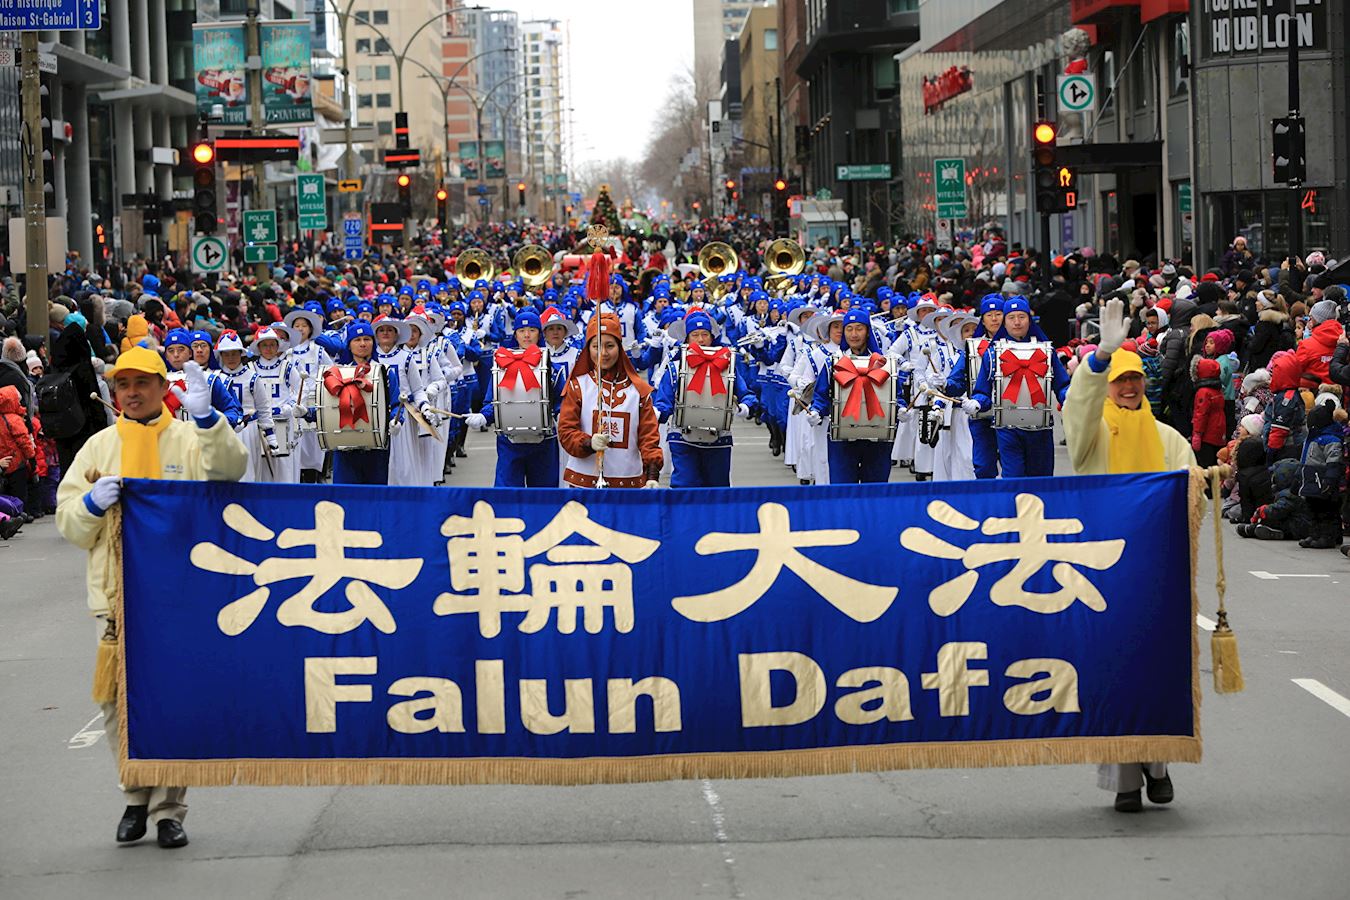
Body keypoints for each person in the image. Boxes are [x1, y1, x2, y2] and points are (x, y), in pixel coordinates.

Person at [55, 347, 247, 848]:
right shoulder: (97, 448)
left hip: (180, 597)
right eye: (124, 385)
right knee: (116, 706)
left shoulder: (189, 438)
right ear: (115, 392)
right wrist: (93, 505)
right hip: (116, 600)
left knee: (174, 703)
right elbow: (69, 523)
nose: (133, 393)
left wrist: (208, 419)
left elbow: (231, 470)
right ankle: (135, 796)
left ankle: (169, 810)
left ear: (164, 388)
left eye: (143, 383)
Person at [1062, 298, 1195, 813]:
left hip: (1157, 571)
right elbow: (1079, 407)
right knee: (1113, 671)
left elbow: (1192, 489)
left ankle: (1158, 767)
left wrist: (1209, 479)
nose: (1129, 387)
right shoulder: (1093, 435)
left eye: (1134, 378)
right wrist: (1099, 361)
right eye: (1120, 380)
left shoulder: (1167, 437)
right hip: (1103, 574)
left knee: (1157, 669)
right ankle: (1124, 782)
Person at [653, 310, 759, 487]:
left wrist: (743, 408)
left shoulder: (726, 364)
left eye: (705, 335)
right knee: (684, 489)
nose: (701, 340)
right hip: (682, 437)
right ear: (687, 338)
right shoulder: (676, 367)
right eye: (695, 335)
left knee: (717, 491)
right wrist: (652, 414)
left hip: (719, 438)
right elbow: (664, 403)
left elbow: (747, 395)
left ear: (712, 337)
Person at [557, 313, 662, 489]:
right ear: (588, 349)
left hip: (629, 484)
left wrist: (652, 475)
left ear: (620, 348)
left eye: (610, 346)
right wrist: (587, 443)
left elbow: (649, 438)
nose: (603, 353)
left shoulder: (639, 391)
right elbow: (566, 431)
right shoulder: (578, 386)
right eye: (597, 346)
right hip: (584, 485)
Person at [970, 296, 1070, 477]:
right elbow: (982, 391)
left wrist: (1069, 396)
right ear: (1005, 323)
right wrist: (976, 403)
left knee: (1042, 480)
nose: (1017, 322)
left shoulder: (1046, 350)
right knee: (1013, 478)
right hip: (1008, 429)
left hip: (1041, 429)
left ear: (1029, 319)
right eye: (1011, 317)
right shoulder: (993, 353)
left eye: (1021, 316)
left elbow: (1062, 384)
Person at [466, 309, 566, 487]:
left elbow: (562, 404)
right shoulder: (501, 364)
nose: (526, 336)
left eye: (532, 330)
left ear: (540, 334)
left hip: (544, 442)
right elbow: (492, 400)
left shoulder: (554, 369)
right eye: (521, 331)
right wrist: (484, 416)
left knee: (544, 497)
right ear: (515, 334)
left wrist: (564, 420)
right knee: (507, 497)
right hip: (509, 442)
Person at [808, 309, 900, 484]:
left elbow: (896, 395)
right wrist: (816, 411)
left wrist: (901, 409)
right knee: (843, 489)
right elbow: (821, 395)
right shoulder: (834, 362)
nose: (854, 334)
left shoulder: (883, 363)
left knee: (875, 490)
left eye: (859, 329)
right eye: (849, 329)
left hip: (877, 437)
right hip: (842, 437)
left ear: (867, 332)